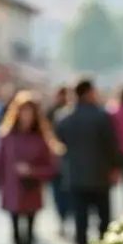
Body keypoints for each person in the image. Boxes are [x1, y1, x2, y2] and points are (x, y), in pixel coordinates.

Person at [0, 91, 63, 244]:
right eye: (23, 112)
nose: (26, 117)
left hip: (31, 191)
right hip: (12, 190)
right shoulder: (6, 136)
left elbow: (52, 169)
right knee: (15, 231)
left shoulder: (41, 138)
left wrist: (33, 171)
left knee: (29, 230)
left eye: (30, 113)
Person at [55, 80, 121, 244]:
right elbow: (111, 144)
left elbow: (59, 145)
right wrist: (114, 168)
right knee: (104, 219)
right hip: (100, 174)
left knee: (80, 220)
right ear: (88, 93)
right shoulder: (101, 116)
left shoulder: (64, 118)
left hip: (75, 176)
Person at [47, 86, 72, 235]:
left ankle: (65, 218)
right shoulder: (52, 113)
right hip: (57, 161)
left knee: (65, 194)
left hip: (66, 161)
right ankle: (62, 219)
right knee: (59, 194)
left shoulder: (69, 114)